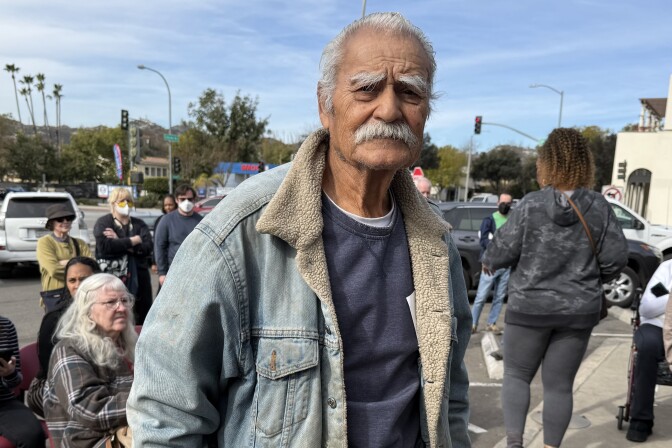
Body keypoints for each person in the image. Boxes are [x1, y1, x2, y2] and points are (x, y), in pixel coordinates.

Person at [128, 12, 472, 448]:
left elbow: (451, 398)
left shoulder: (434, 244)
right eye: (366, 88)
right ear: (324, 105)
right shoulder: (239, 235)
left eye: (410, 92)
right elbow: (166, 414)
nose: (389, 109)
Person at [481, 128, 628, 448]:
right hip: (578, 311)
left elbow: (498, 254)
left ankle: (515, 444)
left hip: (529, 308)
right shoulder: (599, 207)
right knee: (559, 386)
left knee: (517, 377)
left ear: (546, 162)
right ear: (584, 163)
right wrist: (587, 277)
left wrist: (492, 258)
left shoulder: (531, 205)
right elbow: (617, 258)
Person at [44, 273, 136, 447]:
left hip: (132, 426)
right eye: (111, 302)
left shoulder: (131, 343)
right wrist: (149, 401)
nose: (122, 308)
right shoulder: (70, 348)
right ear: (88, 311)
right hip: (88, 440)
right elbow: (90, 410)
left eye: (125, 301)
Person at [26, 256, 100, 417]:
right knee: (93, 410)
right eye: (72, 280)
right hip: (52, 385)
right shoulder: (55, 319)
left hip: (94, 380)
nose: (77, 285)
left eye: (84, 279)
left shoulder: (109, 309)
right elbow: (51, 371)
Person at [626, 260, 671, 442]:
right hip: (658, 325)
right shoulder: (668, 269)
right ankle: (641, 420)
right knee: (647, 346)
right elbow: (648, 306)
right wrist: (670, 298)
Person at [94, 188, 154, 324]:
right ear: (113, 203)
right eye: (122, 202)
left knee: (141, 315)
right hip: (114, 277)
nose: (126, 205)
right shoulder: (104, 223)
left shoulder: (139, 224)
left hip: (140, 277)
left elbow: (147, 247)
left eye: (129, 202)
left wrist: (119, 240)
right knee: (114, 315)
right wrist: (133, 240)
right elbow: (106, 247)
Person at [470, 193, 513, 334]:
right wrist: (495, 247)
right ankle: (473, 324)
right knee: (481, 296)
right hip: (491, 265)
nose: (505, 206)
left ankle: (491, 323)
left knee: (499, 297)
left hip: (506, 265)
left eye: (508, 203)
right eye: (503, 202)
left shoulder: (513, 219)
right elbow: (483, 240)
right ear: (497, 203)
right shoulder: (489, 220)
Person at [36, 203, 92, 311]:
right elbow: (54, 269)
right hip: (56, 296)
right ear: (52, 223)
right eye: (60, 219)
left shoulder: (80, 243)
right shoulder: (45, 242)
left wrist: (67, 262)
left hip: (79, 295)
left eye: (68, 218)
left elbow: (92, 268)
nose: (65, 222)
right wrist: (79, 266)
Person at [0, 315, 45, 447]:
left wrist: (9, 374)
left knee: (32, 435)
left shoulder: (5, 326)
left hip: (3, 402)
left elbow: (15, 382)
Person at [153, 184, 202, 287]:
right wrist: (162, 273)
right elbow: (159, 247)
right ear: (176, 200)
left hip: (196, 274)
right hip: (173, 273)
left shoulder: (201, 221)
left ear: (194, 200)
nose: (186, 202)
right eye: (182, 199)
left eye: (189, 199)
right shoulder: (166, 220)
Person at [150, 194, 176, 275]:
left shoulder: (179, 220)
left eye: (170, 205)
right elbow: (156, 242)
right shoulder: (160, 220)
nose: (168, 207)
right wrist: (154, 262)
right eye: (166, 205)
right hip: (163, 261)